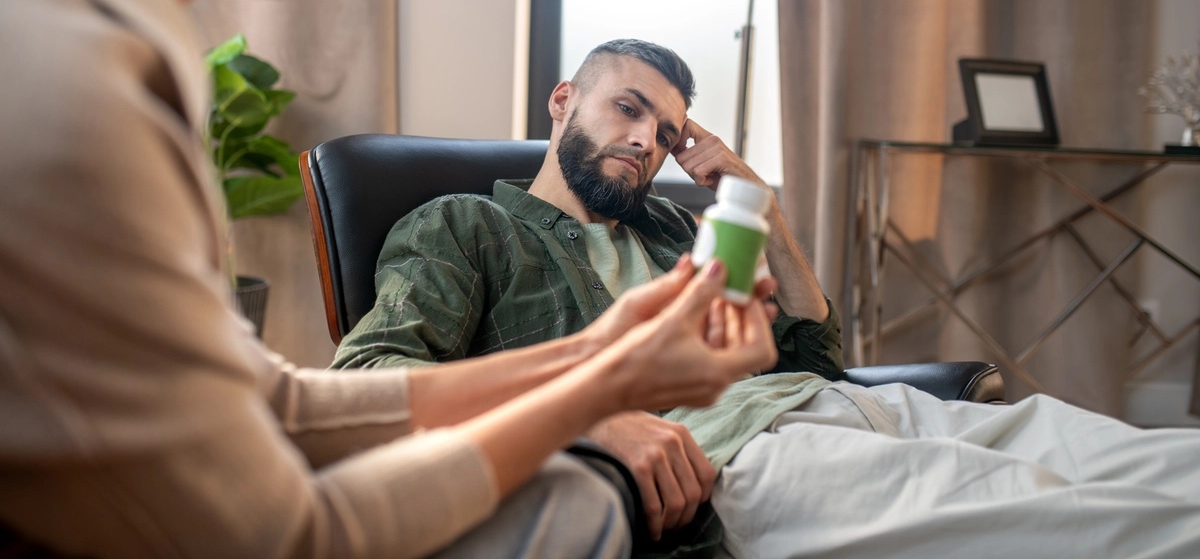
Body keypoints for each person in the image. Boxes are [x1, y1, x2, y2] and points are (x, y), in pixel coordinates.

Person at [0, 0, 783, 557]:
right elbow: (288, 535)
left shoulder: (77, 37)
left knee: (575, 496)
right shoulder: (61, 87)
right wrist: (604, 392)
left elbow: (277, 404)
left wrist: (598, 353)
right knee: (572, 497)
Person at [336, 39, 1200, 558]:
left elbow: (814, 356)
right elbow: (370, 374)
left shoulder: (678, 232)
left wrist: (763, 209)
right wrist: (581, 417)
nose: (645, 141)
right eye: (627, 109)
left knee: (1153, 463)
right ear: (564, 102)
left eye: (666, 131)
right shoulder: (464, 225)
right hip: (747, 461)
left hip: (858, 408)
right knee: (1107, 529)